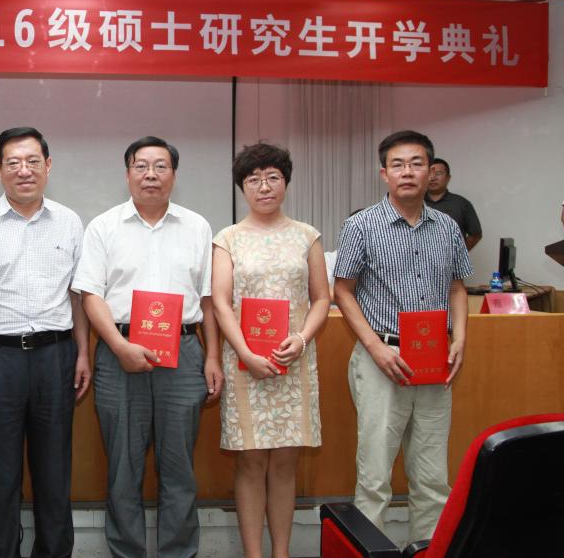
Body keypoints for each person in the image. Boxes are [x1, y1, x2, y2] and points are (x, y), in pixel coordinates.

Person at [0, 127, 90, 558]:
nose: (23, 170)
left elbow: (78, 296)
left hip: (55, 356)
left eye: (32, 161)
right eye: (13, 162)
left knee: (54, 471)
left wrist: (83, 352)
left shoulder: (69, 221)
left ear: (48, 166)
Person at [73, 135, 221, 558]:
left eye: (160, 166)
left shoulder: (197, 227)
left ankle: (179, 552)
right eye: (141, 166)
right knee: (123, 468)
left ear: (174, 174)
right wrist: (119, 346)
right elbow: (91, 295)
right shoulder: (103, 227)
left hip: (184, 353)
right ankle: (127, 552)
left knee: (179, 469)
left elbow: (207, 299)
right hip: (118, 352)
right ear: (128, 174)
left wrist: (212, 356)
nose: (150, 175)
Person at [334, 130, 472, 544]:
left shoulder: (448, 227)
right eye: (398, 165)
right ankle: (371, 551)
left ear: (431, 171)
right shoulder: (361, 225)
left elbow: (457, 287)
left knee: (432, 477)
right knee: (375, 477)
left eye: (416, 163)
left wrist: (460, 339)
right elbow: (343, 290)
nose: (407, 172)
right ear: (384, 174)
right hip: (383, 358)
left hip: (435, 360)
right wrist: (375, 348)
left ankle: (427, 551)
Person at [211, 143, 328, 558]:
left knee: (284, 463)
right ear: (242, 187)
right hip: (245, 363)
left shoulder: (307, 236)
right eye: (254, 179)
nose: (264, 187)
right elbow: (220, 302)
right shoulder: (227, 239)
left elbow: (321, 298)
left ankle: (281, 552)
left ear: (286, 183)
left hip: (293, 362)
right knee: (250, 462)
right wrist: (244, 352)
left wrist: (302, 338)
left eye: (273, 178)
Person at [425, 158, 482, 250]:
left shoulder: (461, 204)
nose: (433, 178)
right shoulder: (414, 203)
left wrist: (460, 253)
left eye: (438, 173)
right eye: (429, 173)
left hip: (451, 259)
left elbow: (476, 234)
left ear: (448, 178)